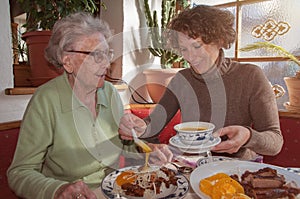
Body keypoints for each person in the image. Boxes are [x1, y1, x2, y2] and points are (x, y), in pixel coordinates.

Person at [7, 12, 172, 199]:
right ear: (68, 62)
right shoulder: (46, 100)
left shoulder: (110, 93)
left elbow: (124, 147)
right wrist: (57, 190)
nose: (107, 63)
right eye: (95, 55)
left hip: (117, 191)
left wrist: (147, 149)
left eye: (107, 54)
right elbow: (20, 172)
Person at [119, 5, 283, 161]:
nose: (190, 57)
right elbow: (153, 124)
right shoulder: (181, 80)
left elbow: (275, 142)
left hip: (237, 170)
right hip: (191, 166)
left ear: (219, 40)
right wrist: (139, 127)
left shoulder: (250, 76)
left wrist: (248, 136)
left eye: (197, 46)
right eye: (184, 49)